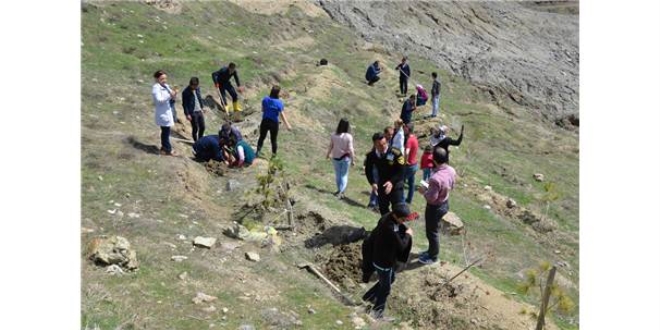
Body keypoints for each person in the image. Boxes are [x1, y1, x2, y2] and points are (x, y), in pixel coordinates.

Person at [361, 202, 413, 320]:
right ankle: (377, 312)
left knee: (391, 279)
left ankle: (368, 297)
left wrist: (410, 219)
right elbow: (401, 246)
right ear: (395, 216)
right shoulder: (389, 227)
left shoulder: (388, 216)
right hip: (383, 262)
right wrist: (408, 235)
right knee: (386, 289)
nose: (404, 221)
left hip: (379, 257)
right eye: (403, 219)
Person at [416, 147, 456, 265]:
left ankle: (433, 256)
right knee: (434, 230)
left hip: (434, 208)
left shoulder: (435, 178)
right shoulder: (451, 170)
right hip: (445, 203)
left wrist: (423, 191)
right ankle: (430, 251)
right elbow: (452, 185)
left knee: (431, 232)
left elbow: (431, 198)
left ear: (434, 159)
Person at [365, 132, 406, 215]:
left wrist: (391, 182)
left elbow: (402, 169)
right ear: (375, 145)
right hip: (382, 183)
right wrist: (372, 182)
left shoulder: (396, 152)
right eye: (380, 145)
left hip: (396, 183)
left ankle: (398, 227)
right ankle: (387, 226)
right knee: (383, 208)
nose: (383, 146)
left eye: (384, 143)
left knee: (398, 209)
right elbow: (368, 170)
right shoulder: (371, 155)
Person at [256, 85, 292, 158]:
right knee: (273, 140)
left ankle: (258, 152)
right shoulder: (279, 102)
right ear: (277, 93)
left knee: (262, 137)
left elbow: (262, 110)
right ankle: (274, 157)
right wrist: (287, 125)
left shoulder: (265, 99)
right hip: (274, 123)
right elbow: (282, 114)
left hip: (265, 121)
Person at [326, 118, 356, 199]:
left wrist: (328, 154)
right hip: (345, 158)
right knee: (344, 175)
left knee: (338, 174)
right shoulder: (348, 136)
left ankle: (339, 190)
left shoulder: (333, 135)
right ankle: (341, 191)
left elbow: (330, 146)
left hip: (335, 157)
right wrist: (353, 159)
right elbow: (351, 149)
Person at [151, 70, 177, 156]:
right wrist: (170, 95)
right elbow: (159, 100)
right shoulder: (156, 88)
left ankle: (163, 148)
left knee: (166, 131)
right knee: (165, 132)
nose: (164, 80)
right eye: (162, 78)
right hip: (163, 113)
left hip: (168, 110)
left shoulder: (166, 86)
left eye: (165, 78)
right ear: (157, 79)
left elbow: (171, 96)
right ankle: (168, 150)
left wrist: (174, 94)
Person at [182, 77, 207, 142]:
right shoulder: (185, 92)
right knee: (195, 128)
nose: (195, 87)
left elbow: (199, 98)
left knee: (202, 127)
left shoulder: (197, 88)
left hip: (199, 111)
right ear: (191, 85)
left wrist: (202, 107)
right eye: (194, 86)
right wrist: (187, 114)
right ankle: (196, 142)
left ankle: (200, 140)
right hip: (192, 112)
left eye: (196, 85)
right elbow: (184, 104)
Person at [403, 123, 419, 204]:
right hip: (414, 165)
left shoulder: (409, 140)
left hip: (409, 166)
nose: (404, 130)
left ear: (409, 129)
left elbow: (407, 152)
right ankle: (409, 199)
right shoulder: (415, 138)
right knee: (411, 183)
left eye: (405, 129)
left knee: (401, 182)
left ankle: (401, 201)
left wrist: (405, 161)